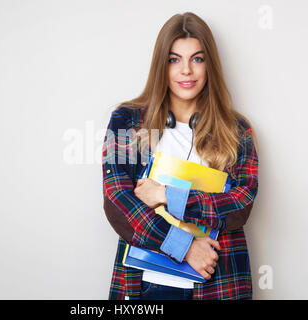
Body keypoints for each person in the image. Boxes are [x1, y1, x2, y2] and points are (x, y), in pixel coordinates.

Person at [102, 12, 259, 300]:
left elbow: (240, 204)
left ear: (209, 65)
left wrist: (168, 196)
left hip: (218, 284)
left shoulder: (236, 129)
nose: (186, 70)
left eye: (197, 59)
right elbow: (117, 203)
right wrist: (184, 246)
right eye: (174, 59)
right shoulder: (127, 120)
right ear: (161, 65)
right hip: (144, 286)